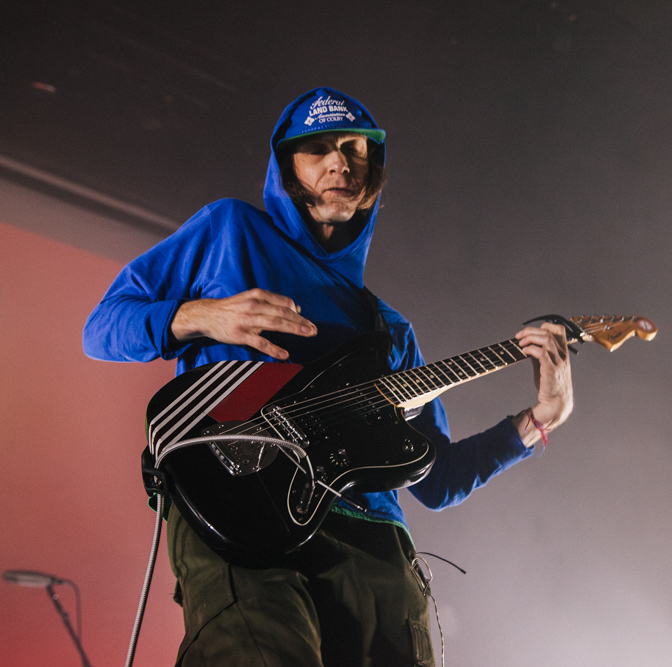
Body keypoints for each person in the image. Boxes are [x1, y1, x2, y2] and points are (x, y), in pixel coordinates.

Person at [83, 87, 573, 666]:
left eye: (354, 149)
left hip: (376, 544)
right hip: (244, 502)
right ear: (285, 166)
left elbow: (435, 482)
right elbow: (101, 328)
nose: (341, 161)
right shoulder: (229, 231)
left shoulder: (391, 331)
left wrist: (537, 422)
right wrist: (199, 315)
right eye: (317, 149)